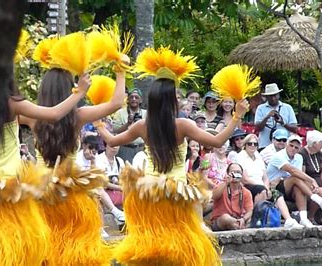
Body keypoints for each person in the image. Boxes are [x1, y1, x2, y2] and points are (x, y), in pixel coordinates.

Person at [95, 46, 250, 265]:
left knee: (152, 247)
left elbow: (111, 140)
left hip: (148, 195)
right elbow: (217, 141)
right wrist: (236, 116)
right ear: (172, 100)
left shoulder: (142, 125)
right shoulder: (183, 125)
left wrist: (99, 124)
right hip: (176, 196)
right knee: (178, 250)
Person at [28, 32, 130, 265]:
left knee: (44, 250)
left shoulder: (32, 116)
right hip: (72, 193)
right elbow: (116, 102)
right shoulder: (78, 116)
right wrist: (120, 70)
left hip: (40, 190)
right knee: (74, 248)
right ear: (69, 90)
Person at [0, 74, 90, 266]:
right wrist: (80, 92)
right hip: (12, 191)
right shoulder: (12, 104)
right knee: (19, 250)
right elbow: (54, 114)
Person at [266, 134, 322, 227]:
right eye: (291, 145)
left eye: (296, 147)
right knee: (296, 178)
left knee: (298, 187)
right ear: (287, 145)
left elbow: (298, 174)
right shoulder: (278, 156)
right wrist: (311, 180)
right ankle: (317, 199)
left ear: (299, 149)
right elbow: (293, 171)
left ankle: (303, 219)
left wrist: (315, 186)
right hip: (274, 186)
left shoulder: (299, 157)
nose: (293, 148)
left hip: (288, 185)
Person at [211, 163, 254, 231]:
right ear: (228, 174)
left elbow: (250, 211)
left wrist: (243, 219)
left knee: (250, 220)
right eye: (233, 172)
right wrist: (226, 182)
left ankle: (236, 225)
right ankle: (237, 225)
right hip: (221, 220)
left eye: (238, 172)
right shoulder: (221, 186)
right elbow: (214, 196)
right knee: (226, 217)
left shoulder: (246, 192)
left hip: (239, 219)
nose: (236, 174)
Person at [255, 83, 298, 149]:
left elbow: (295, 128)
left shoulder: (287, 107)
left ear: (279, 95)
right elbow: (257, 128)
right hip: (265, 146)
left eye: (275, 95)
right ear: (266, 97)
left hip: (284, 146)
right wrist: (267, 117)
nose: (273, 98)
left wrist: (283, 123)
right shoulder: (260, 108)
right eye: (270, 96)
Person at [112, 88, 147, 162]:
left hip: (141, 148)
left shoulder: (146, 114)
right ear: (128, 100)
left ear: (141, 100)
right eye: (131, 97)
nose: (134, 99)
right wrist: (127, 123)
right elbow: (115, 130)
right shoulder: (120, 113)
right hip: (125, 149)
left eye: (136, 97)